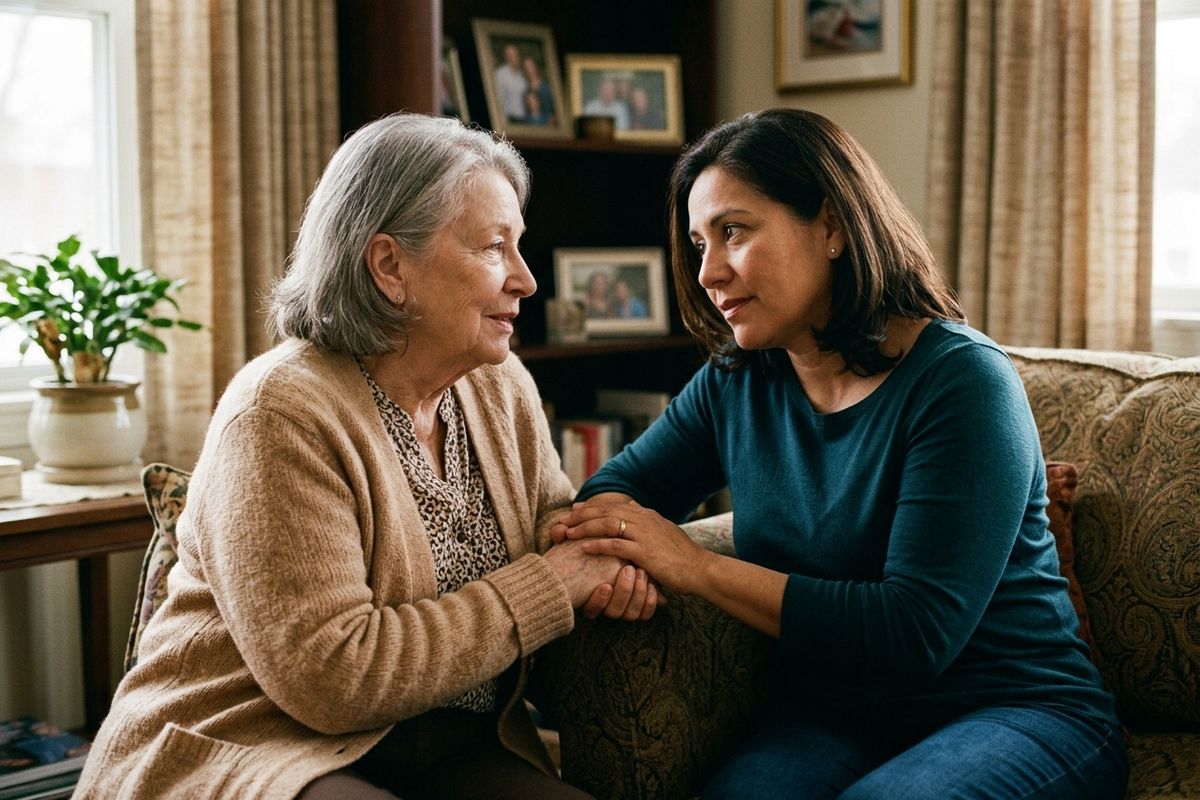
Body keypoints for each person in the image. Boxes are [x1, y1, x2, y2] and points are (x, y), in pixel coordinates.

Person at [73, 113, 659, 800]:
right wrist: (554, 586)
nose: (525, 280)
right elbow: (333, 677)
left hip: (446, 745)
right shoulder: (278, 413)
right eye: (493, 248)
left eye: (518, 247)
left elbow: (553, 536)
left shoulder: (499, 386)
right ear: (389, 266)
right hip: (254, 745)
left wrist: (609, 564)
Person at [552, 108, 1128, 800]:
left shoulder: (962, 381)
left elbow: (912, 634)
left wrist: (694, 566)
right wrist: (622, 559)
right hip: (831, 717)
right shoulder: (737, 381)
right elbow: (612, 491)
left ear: (832, 226)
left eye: (734, 231)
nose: (708, 272)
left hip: (1016, 709)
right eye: (699, 243)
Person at [494, 43, 528, 122]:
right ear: (505, 57)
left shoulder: (522, 75)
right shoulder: (500, 74)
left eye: (515, 54)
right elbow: (498, 99)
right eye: (510, 55)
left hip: (525, 118)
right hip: (509, 119)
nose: (513, 57)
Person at [522, 56, 556, 126]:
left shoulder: (547, 88)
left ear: (536, 67)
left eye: (530, 66)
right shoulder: (525, 91)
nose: (528, 70)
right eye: (526, 68)